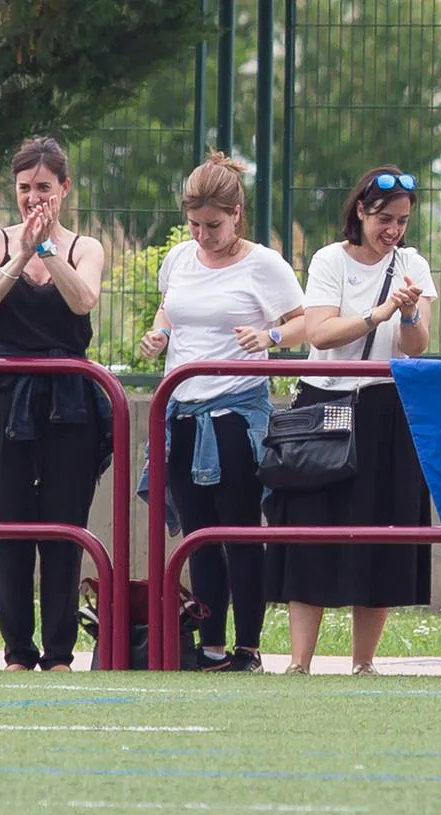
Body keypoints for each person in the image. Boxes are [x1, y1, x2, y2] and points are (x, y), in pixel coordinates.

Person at [139, 151, 307, 673]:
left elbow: (304, 322)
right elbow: (170, 305)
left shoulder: (264, 264)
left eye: (213, 225)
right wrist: (160, 332)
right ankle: (210, 645)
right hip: (181, 411)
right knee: (197, 534)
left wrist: (270, 336)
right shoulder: (181, 259)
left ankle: (249, 648)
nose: (202, 236)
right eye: (193, 225)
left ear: (237, 213)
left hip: (235, 414)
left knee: (238, 532)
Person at [265, 167, 436, 676]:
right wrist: (379, 312)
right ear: (360, 211)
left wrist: (406, 314)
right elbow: (320, 334)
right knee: (310, 530)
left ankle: (364, 661)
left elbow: (418, 345)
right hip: (327, 402)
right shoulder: (328, 260)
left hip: (386, 406)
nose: (393, 231)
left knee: (381, 529)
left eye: (402, 221)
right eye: (385, 218)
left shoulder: (412, 265)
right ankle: (299, 662)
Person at [0, 137, 109, 673]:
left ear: (64, 189)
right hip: (4, 398)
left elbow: (83, 300)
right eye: (24, 188)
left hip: (69, 401)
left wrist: (46, 250)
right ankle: (17, 652)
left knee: (64, 526)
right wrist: (20, 254)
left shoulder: (84, 247)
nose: (33, 198)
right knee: (10, 528)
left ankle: (60, 654)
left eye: (44, 187)